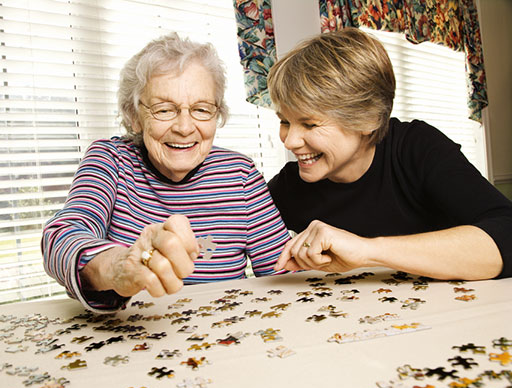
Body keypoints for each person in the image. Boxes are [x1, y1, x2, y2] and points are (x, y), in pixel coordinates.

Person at [41, 33, 291, 312]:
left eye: (201, 109)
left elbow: (283, 273)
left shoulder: (240, 175)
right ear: (134, 116)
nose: (184, 127)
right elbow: (61, 237)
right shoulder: (110, 160)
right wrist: (119, 267)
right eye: (163, 110)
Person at [266, 27, 512, 281]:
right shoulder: (289, 184)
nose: (290, 141)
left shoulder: (417, 148)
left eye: (309, 124)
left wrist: (366, 250)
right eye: (284, 121)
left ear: (368, 119)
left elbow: (507, 233)